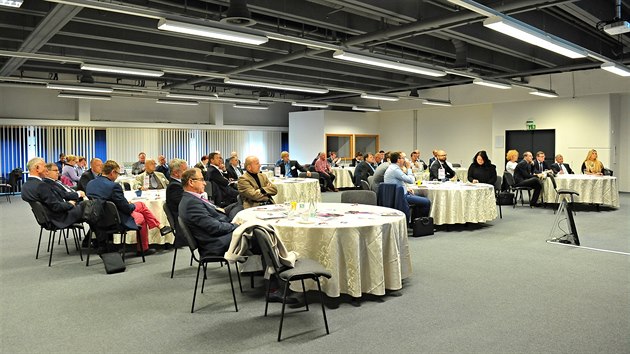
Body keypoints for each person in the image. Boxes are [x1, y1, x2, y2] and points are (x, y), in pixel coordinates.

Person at [86, 160, 172, 256]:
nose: (117, 176)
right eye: (117, 174)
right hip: (115, 220)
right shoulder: (114, 186)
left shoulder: (90, 184)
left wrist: (127, 203)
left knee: (141, 205)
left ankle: (160, 226)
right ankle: (144, 248)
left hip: (97, 219)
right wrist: (129, 204)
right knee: (141, 215)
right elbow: (126, 209)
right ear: (113, 172)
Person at [178, 168, 238, 257]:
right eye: (201, 180)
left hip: (218, 232)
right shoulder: (191, 203)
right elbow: (215, 227)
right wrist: (236, 226)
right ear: (191, 182)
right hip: (215, 243)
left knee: (240, 207)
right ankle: (254, 270)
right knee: (255, 234)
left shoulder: (192, 199)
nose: (205, 183)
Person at [21, 157, 84, 229]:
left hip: (46, 219)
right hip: (59, 219)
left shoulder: (25, 186)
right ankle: (92, 238)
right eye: (44, 166)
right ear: (37, 168)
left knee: (91, 208)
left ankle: (91, 238)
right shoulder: (42, 186)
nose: (46, 169)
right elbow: (56, 207)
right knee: (90, 208)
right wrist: (70, 203)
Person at [384, 151, 431, 217]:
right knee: (426, 201)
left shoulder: (393, 167)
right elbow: (411, 180)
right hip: (400, 196)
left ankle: (414, 221)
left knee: (421, 196)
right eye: (403, 158)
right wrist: (409, 168)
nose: (406, 160)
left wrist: (406, 188)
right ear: (398, 160)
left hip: (397, 193)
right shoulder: (395, 170)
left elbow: (398, 182)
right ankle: (420, 223)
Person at [165, 158, 188, 248]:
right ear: (176, 173)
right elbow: (184, 204)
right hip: (182, 219)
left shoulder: (179, 184)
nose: (187, 172)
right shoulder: (174, 186)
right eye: (185, 170)